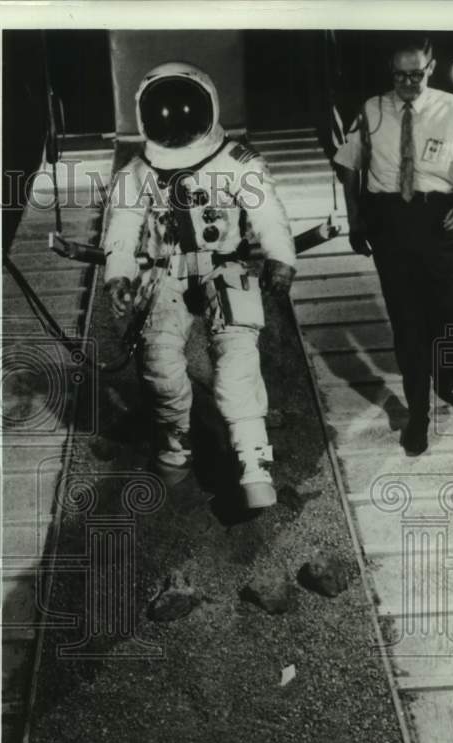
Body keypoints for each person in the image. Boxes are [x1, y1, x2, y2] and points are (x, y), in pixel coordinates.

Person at [103, 62, 297, 510]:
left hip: (224, 267)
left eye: (184, 113)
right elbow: (123, 228)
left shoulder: (235, 162)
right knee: (160, 363)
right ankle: (176, 442)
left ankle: (254, 459)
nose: (175, 124)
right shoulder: (137, 172)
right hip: (164, 272)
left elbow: (268, 213)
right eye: (165, 115)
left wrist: (280, 258)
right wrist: (119, 273)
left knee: (237, 362)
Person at [334, 34, 453, 455]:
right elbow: (350, 166)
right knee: (408, 325)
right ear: (391, 72)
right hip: (392, 225)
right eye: (399, 75)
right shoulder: (371, 110)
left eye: (416, 75)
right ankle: (417, 416)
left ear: (431, 68)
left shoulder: (451, 108)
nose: (407, 83)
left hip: (440, 219)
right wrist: (355, 218)